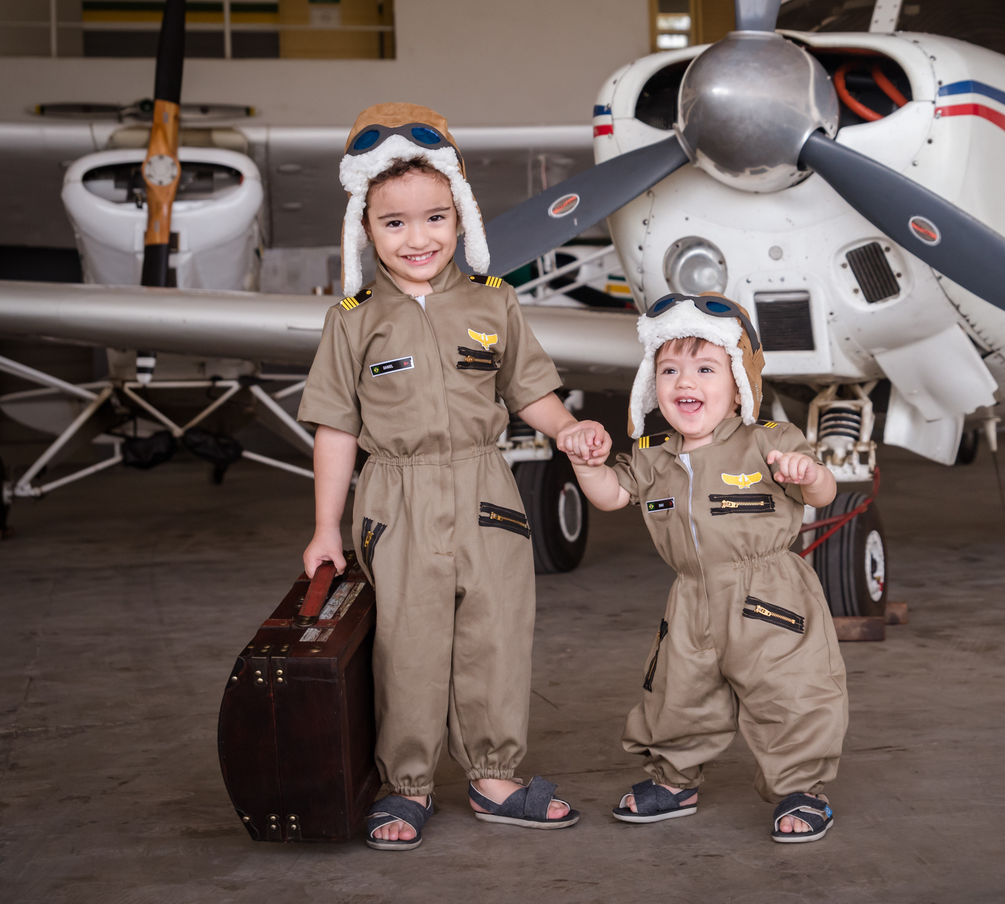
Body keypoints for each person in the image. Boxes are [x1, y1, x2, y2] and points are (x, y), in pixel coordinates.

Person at [298, 103, 610, 851]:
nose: (418, 239)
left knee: (496, 635)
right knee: (407, 644)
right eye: (394, 223)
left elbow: (528, 389)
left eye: (435, 218)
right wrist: (324, 529)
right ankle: (405, 785)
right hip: (396, 497)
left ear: (462, 215)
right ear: (365, 229)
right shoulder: (352, 319)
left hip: (486, 490)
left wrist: (568, 429)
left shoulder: (494, 303)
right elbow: (337, 428)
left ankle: (494, 776)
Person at [559, 292, 848, 843]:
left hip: (770, 595)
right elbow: (611, 495)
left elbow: (825, 489)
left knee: (788, 690)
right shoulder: (653, 454)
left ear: (739, 380)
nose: (684, 382)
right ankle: (674, 780)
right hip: (692, 597)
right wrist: (586, 462)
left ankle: (802, 789)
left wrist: (803, 473)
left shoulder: (770, 441)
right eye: (669, 369)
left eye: (705, 368)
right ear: (652, 384)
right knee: (678, 691)